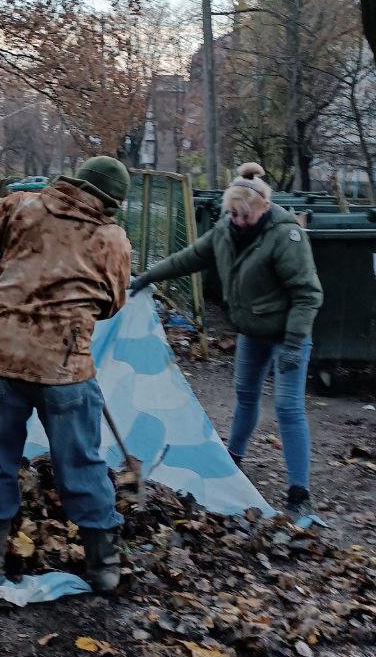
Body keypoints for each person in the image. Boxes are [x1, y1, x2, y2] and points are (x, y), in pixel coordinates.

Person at [0, 158, 132, 592]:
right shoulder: (110, 238)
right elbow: (111, 304)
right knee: (82, 465)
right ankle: (104, 568)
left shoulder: (20, 206)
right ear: (109, 202)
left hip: (0, 362)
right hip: (66, 370)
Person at [130, 162, 323, 517]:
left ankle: (299, 493)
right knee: (245, 397)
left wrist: (295, 342)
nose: (237, 220)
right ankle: (232, 462)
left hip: (287, 335)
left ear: (263, 208)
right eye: (232, 214)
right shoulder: (225, 230)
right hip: (251, 332)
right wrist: (147, 277)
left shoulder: (285, 236)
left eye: (244, 215)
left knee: (288, 407)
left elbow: (307, 293)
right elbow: (190, 257)